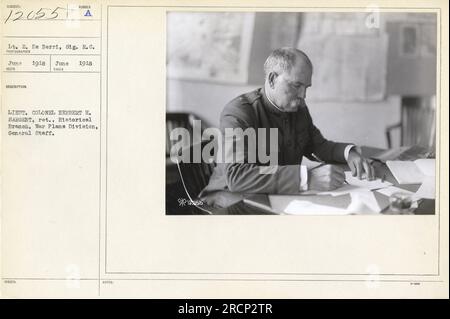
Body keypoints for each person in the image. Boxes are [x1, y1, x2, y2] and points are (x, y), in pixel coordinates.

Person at [200, 47, 375, 208]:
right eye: (296, 85)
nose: (303, 95)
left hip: (277, 195)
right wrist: (307, 178)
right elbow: (237, 176)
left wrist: (349, 153)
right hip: (230, 199)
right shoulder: (238, 112)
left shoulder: (297, 108)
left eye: (306, 87)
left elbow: (318, 146)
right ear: (272, 79)